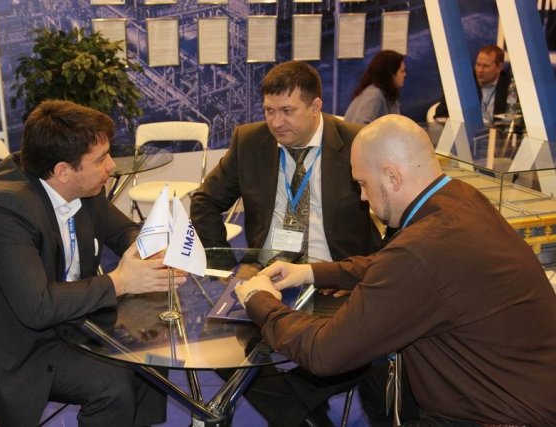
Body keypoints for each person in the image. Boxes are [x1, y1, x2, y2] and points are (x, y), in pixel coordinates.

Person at [235, 114, 556, 426]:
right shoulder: (460, 199)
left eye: (363, 184)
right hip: (522, 396)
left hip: (496, 417)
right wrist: (312, 272)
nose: (363, 197)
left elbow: (323, 352)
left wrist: (259, 299)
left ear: (392, 176)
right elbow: (398, 266)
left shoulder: (422, 248)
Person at [0, 100, 187, 426]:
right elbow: (38, 307)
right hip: (8, 341)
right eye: (101, 159)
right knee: (112, 384)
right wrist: (121, 281)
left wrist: (151, 250)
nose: (111, 165)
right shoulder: (1, 209)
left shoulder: (79, 184)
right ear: (63, 171)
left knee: (151, 346)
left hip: (66, 313)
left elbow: (123, 231)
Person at [191, 60, 382, 263]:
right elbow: (204, 201)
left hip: (332, 270)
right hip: (267, 269)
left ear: (315, 107)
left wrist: (367, 268)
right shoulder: (249, 142)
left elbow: (394, 207)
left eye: (287, 111)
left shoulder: (357, 142)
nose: (276, 123)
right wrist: (223, 265)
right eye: (269, 111)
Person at [434, 45, 512, 126]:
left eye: (486, 66)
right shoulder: (463, 82)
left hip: (497, 132)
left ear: (499, 67)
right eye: (478, 64)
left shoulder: (509, 86)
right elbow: (440, 115)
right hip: (466, 131)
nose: (480, 70)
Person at [344, 50, 406, 125]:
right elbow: (361, 126)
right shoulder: (374, 94)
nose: (405, 75)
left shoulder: (387, 96)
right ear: (391, 74)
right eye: (402, 71)